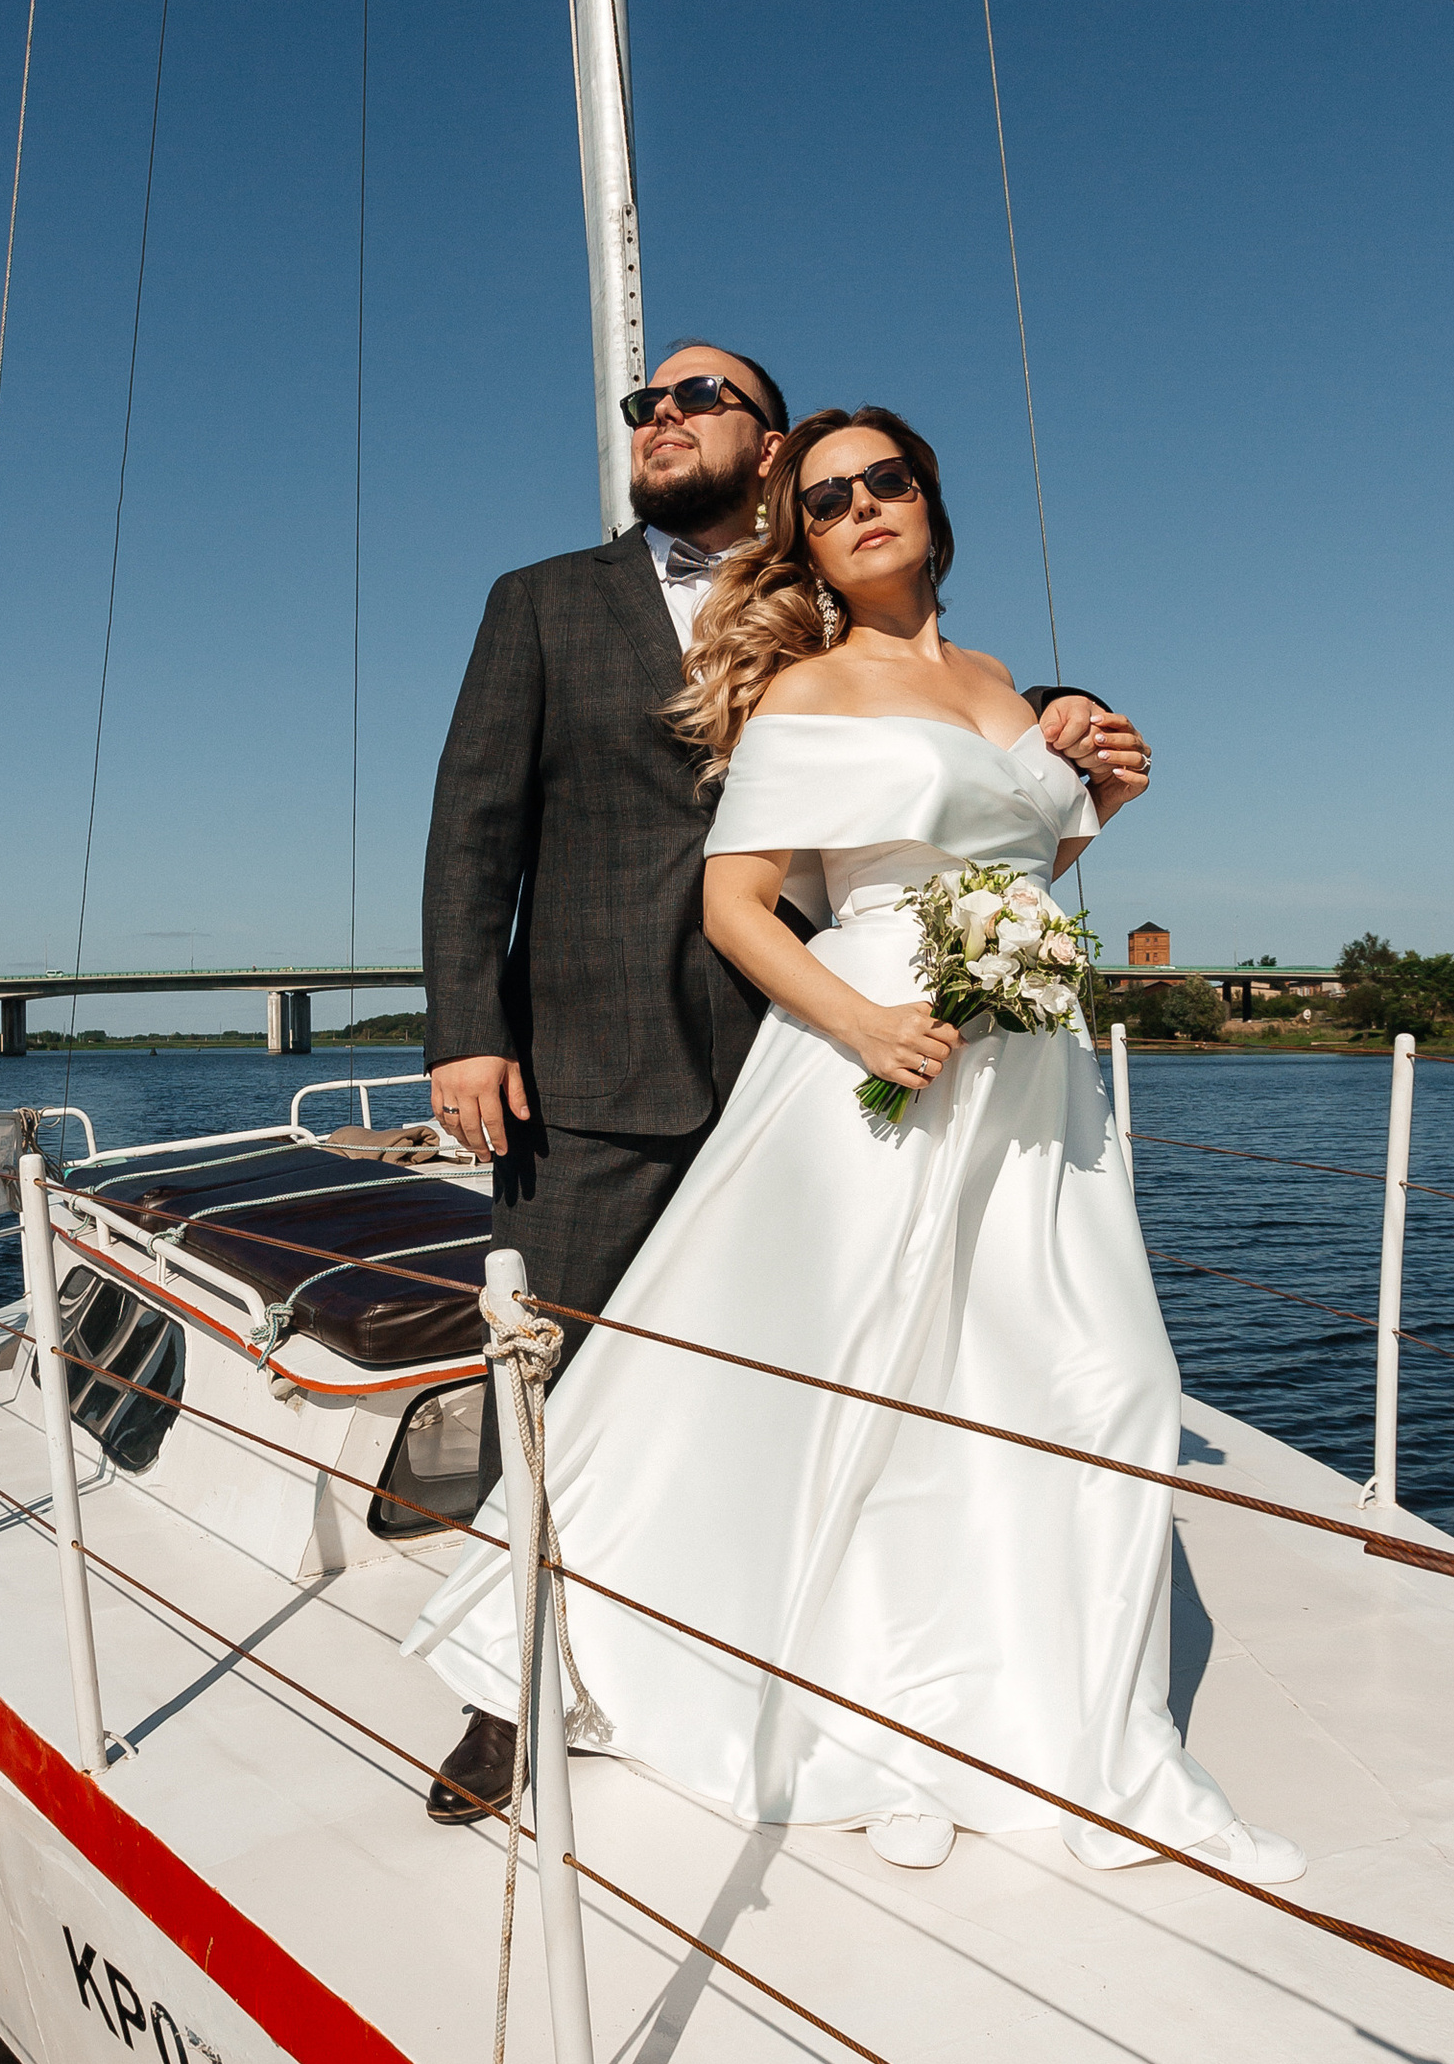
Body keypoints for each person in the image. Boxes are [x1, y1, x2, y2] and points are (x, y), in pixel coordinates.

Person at [411, 406, 1303, 1884]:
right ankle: (883, 1715)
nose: (863, 506)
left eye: (887, 481)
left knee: (1103, 1384)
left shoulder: (999, 680)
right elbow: (739, 905)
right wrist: (870, 1028)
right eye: (828, 500)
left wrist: (1102, 812)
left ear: (932, 505)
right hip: (875, 1057)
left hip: (1029, 1076)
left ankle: (1059, 1712)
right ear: (806, 540)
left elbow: (1011, 859)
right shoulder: (808, 690)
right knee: (872, 1388)